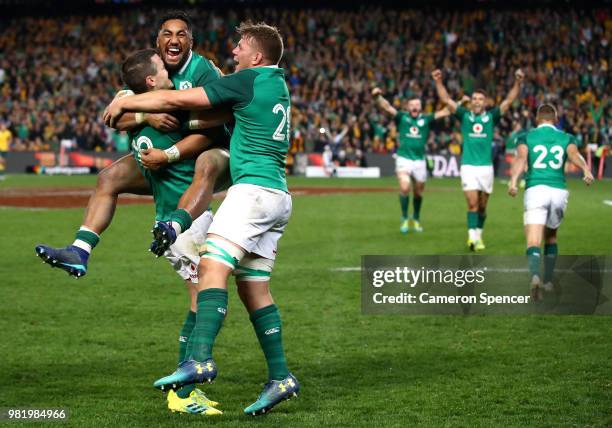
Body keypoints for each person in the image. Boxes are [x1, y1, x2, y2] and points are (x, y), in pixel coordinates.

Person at [104, 21, 299, 416]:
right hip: (278, 195)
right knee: (253, 288)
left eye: (241, 46)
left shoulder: (248, 79)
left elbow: (176, 101)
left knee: (211, 267)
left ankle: (199, 359)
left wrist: (127, 103)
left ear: (257, 56)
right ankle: (280, 377)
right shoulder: (276, 83)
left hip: (253, 193)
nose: (234, 52)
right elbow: (204, 117)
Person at [35, 11, 231, 277]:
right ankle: (80, 250)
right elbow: (114, 116)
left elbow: (216, 126)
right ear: (158, 41)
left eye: (181, 34)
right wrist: (146, 114)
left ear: (191, 42)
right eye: (167, 33)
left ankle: (184, 225)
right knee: (109, 177)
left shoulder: (203, 72)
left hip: (205, 154)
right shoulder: (150, 68)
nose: (174, 40)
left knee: (205, 168)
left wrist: (170, 148)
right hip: (165, 160)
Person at [432, 68, 525, 251]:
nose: (476, 102)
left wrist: (518, 82)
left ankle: (479, 235)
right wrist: (438, 81)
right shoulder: (464, 116)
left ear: (485, 102)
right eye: (474, 99)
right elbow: (446, 100)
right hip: (468, 167)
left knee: (482, 206)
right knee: (472, 203)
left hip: (486, 169)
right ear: (471, 101)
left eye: (480, 99)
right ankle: (472, 238)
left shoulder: (491, 117)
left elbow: (509, 101)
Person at [508, 104, 593, 299]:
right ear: (555, 119)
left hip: (536, 189)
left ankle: (536, 276)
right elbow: (574, 155)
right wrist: (586, 169)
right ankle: (547, 281)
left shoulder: (526, 137)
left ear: (537, 119)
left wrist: (513, 181)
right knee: (551, 236)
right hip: (558, 191)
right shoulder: (566, 138)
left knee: (533, 239)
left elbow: (521, 158)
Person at [371, 89, 465, 233]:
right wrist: (377, 96)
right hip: (404, 158)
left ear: (420, 107)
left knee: (418, 193)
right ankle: (404, 218)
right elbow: (387, 107)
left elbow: (446, 111)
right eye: (412, 105)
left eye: (417, 105)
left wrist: (459, 103)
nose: (414, 107)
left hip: (419, 161)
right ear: (408, 107)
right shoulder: (402, 117)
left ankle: (415, 218)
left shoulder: (426, 119)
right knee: (404, 187)